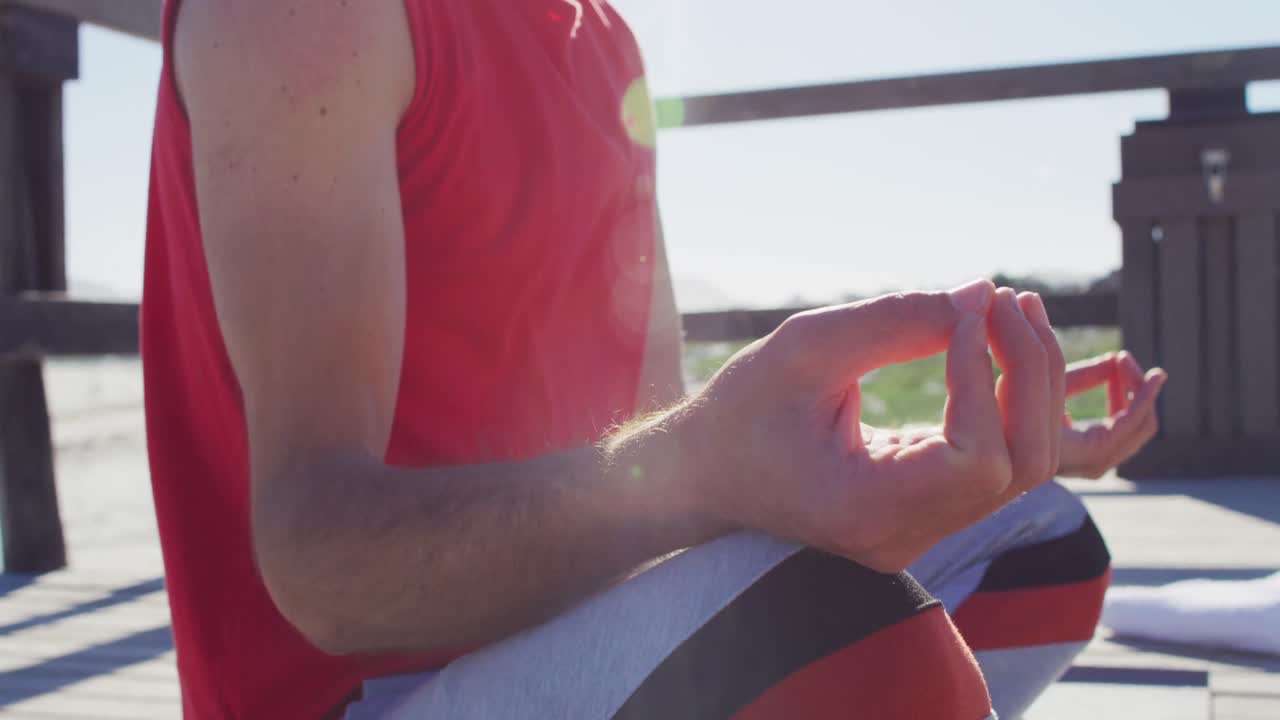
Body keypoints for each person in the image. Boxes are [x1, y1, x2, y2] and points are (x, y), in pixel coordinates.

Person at [141, 1, 1167, 718]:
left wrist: (941, 453)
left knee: (1039, 543)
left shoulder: (605, 40)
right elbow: (318, 569)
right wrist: (714, 465)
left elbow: (653, 442)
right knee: (847, 635)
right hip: (358, 693)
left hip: (573, 630)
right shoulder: (304, 14)